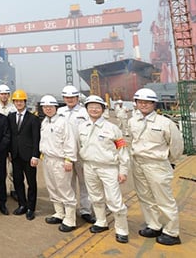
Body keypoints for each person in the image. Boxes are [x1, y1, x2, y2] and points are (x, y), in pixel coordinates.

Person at [127, 88, 184, 246]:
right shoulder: (133, 121)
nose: (144, 105)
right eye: (140, 102)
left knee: (164, 199)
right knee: (145, 197)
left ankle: (172, 232)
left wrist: (169, 161)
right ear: (136, 103)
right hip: (138, 163)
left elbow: (177, 146)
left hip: (157, 164)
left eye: (148, 102)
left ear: (154, 104)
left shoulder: (165, 123)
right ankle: (154, 225)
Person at [77, 95, 130, 244]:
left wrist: (123, 170)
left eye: (97, 106)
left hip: (108, 168)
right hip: (89, 166)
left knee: (114, 199)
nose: (94, 109)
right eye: (90, 106)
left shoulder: (112, 128)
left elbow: (122, 150)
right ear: (86, 109)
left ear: (103, 109)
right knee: (95, 196)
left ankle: (122, 229)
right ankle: (101, 221)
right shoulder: (81, 127)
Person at [38, 95, 78, 233]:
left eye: (50, 107)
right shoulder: (45, 122)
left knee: (64, 189)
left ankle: (70, 219)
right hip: (48, 159)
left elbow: (70, 141)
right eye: (45, 107)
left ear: (56, 107)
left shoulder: (63, 122)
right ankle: (59, 213)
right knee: (52, 187)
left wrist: (69, 159)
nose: (48, 109)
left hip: (61, 161)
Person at [57, 85, 95, 224]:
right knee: (68, 183)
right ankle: (69, 210)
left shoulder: (85, 112)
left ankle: (85, 210)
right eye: (67, 97)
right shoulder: (60, 111)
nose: (70, 99)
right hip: (65, 153)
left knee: (85, 183)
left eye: (72, 97)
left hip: (81, 152)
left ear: (77, 98)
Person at [8, 89, 40, 221]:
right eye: (16, 101)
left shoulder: (33, 118)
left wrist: (35, 156)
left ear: (25, 102)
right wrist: (10, 152)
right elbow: (10, 136)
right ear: (14, 102)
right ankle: (22, 204)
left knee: (31, 183)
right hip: (15, 155)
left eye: (21, 101)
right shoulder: (10, 117)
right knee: (17, 181)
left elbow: (36, 138)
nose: (19, 103)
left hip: (29, 156)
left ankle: (31, 208)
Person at [0, 84, 17, 201]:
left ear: (9, 95)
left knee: (13, 169)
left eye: (6, 94)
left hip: (11, 142)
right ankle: (1, 192)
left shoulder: (13, 108)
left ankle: (13, 189)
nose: (4, 96)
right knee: (1, 170)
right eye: (2, 94)